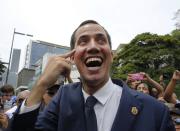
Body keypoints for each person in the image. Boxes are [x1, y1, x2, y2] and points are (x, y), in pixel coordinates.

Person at [13, 20, 175, 131]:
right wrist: (41, 85)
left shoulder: (155, 111)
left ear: (112, 55)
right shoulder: (63, 99)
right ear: (73, 58)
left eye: (100, 40)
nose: (92, 47)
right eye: (83, 41)